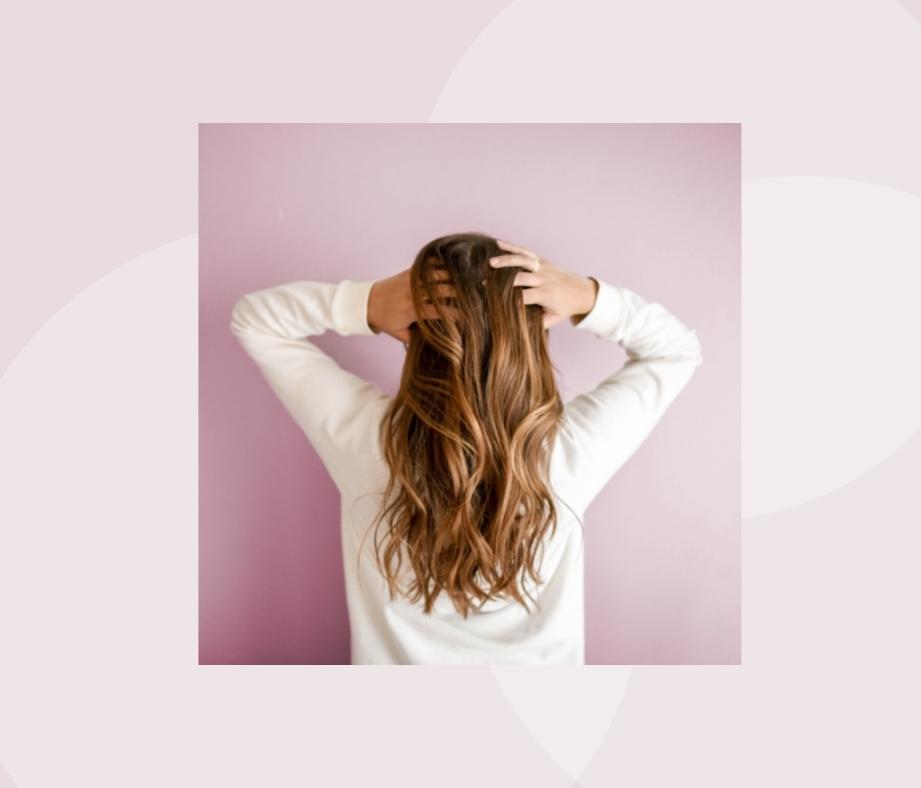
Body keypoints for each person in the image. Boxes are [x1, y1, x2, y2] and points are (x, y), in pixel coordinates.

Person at [229, 232, 703, 665]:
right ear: (534, 336)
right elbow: (677, 350)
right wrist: (587, 298)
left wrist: (367, 302)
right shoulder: (566, 454)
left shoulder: (369, 441)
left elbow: (254, 320)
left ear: (414, 330)